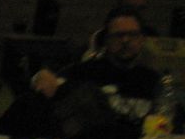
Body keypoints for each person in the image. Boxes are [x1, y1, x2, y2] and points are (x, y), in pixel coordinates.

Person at [34, 8, 162, 127]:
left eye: (132, 34)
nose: (125, 40)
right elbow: (48, 83)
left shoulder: (153, 80)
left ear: (142, 39)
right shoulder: (84, 72)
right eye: (118, 35)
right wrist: (41, 76)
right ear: (106, 40)